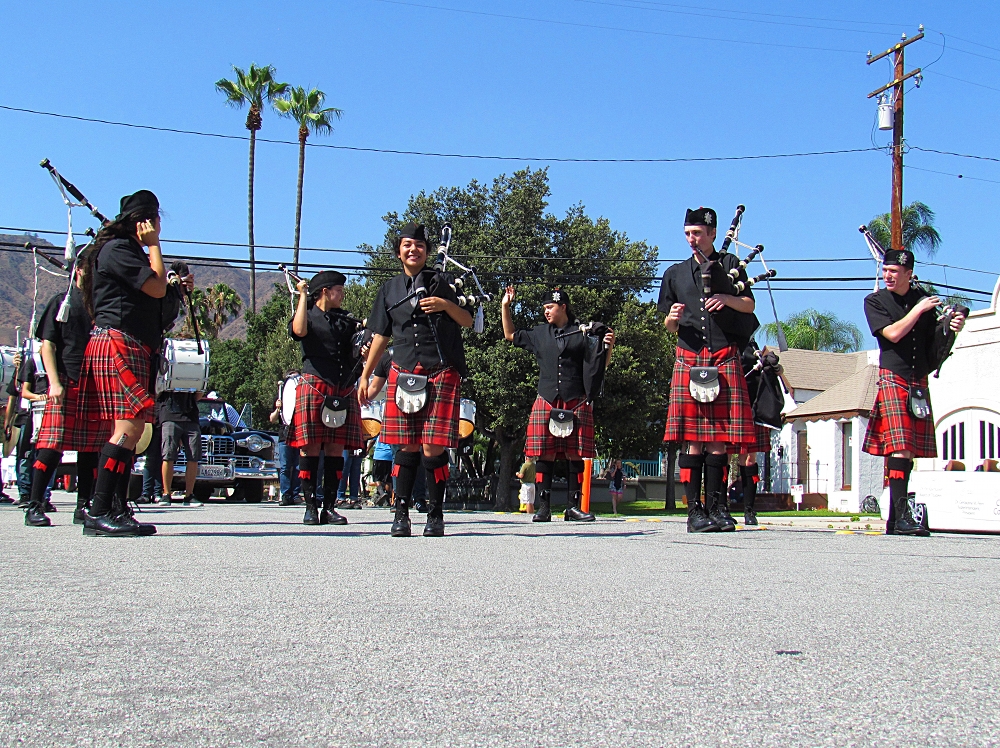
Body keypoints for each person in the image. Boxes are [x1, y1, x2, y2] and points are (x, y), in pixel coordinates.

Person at [77, 189, 187, 537]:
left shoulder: (126, 251)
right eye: (155, 221)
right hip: (118, 342)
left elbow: (160, 301)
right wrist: (155, 245)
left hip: (131, 344)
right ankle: (98, 510)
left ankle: (114, 507)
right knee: (128, 430)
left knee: (131, 430)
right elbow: (155, 288)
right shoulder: (118, 250)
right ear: (145, 222)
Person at [359, 222, 473, 537]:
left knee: (432, 448)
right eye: (407, 245)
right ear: (399, 253)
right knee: (406, 446)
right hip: (404, 371)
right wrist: (366, 375)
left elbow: (467, 320)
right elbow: (380, 336)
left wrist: (445, 305)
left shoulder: (441, 282)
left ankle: (435, 515)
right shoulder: (389, 290)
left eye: (419, 245)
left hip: (440, 369)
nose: (414, 250)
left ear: (426, 251)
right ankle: (401, 514)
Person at [658, 207, 757, 533]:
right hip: (690, 358)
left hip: (724, 357)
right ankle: (694, 512)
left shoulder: (730, 265)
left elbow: (749, 305)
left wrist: (726, 298)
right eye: (688, 233)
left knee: (718, 441)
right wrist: (672, 319)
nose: (692, 239)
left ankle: (718, 508)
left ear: (712, 234)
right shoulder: (674, 273)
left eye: (698, 233)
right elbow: (669, 326)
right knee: (693, 440)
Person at [862, 248, 965, 536]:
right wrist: (919, 309)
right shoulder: (875, 301)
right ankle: (902, 517)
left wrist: (951, 326)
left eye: (894, 272)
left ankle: (896, 519)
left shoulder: (923, 300)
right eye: (886, 270)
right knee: (901, 446)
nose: (888, 276)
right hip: (893, 376)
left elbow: (934, 342)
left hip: (918, 380)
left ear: (909, 274)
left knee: (908, 452)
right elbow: (893, 334)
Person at [501, 285, 614, 523]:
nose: (546, 311)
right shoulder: (540, 333)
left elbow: (599, 366)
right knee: (545, 453)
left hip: (576, 399)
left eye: (550, 307)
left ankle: (573, 507)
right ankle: (544, 507)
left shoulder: (583, 333)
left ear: (563, 307)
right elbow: (510, 334)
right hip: (546, 398)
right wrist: (505, 306)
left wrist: (609, 346)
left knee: (575, 454)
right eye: (544, 307)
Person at [22, 257, 107, 527]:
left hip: (94, 382)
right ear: (78, 270)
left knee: (91, 449)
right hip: (65, 380)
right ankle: (34, 505)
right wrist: (54, 382)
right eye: (91, 267)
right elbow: (47, 345)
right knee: (51, 446)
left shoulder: (101, 305)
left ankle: (84, 506)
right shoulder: (61, 301)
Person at [288, 270, 365, 526]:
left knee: (335, 448)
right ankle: (310, 507)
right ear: (325, 291)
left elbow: (356, 347)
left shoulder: (345, 320)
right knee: (310, 447)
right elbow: (299, 331)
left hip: (342, 386)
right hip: (315, 384)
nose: (342, 295)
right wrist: (302, 295)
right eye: (338, 291)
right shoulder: (307, 315)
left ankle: (329, 508)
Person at [156, 389, 204, 507]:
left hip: (190, 416)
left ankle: (189, 495)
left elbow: (198, 395)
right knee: (168, 455)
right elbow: (157, 392)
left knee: (193, 456)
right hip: (169, 415)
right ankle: (166, 494)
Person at [269, 378, 301, 506]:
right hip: (284, 436)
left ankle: (296, 494)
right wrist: (278, 409)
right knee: (285, 466)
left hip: (298, 434)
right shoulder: (280, 397)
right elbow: (272, 419)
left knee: (298, 467)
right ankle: (285, 494)